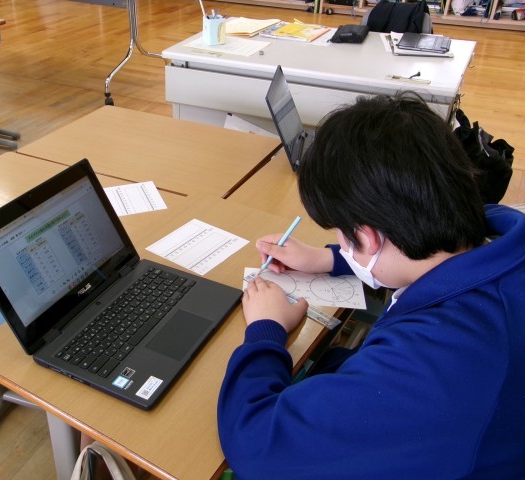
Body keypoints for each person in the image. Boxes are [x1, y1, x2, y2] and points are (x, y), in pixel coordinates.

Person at [217, 93, 525, 479]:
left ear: (367, 238)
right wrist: (327, 258)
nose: (341, 242)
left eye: (341, 235)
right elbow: (405, 252)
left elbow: (256, 443)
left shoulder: (430, 366)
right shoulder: (493, 230)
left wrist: (266, 330)